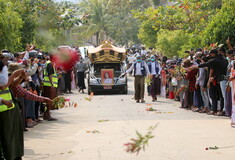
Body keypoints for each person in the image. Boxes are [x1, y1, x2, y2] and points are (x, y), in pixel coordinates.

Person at [42, 56, 58, 120]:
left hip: (47, 84)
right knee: (49, 100)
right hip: (49, 85)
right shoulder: (50, 64)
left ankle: (46, 114)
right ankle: (47, 114)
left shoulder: (48, 63)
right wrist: (52, 83)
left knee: (47, 100)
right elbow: (50, 74)